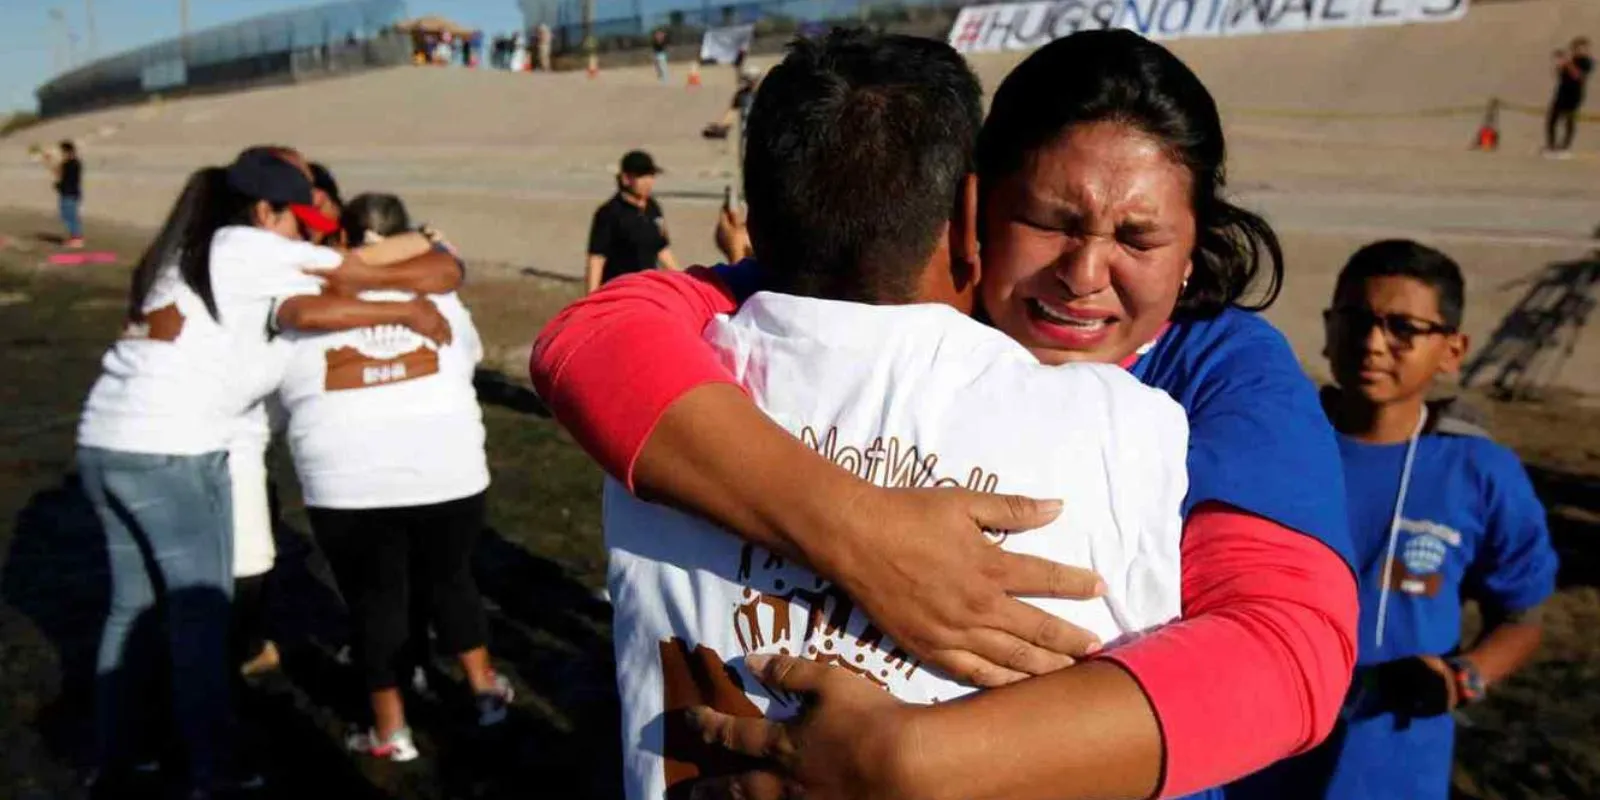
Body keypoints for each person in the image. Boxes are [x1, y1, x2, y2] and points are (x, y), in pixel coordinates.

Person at [533, 28, 1358, 800]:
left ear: (1193, 247)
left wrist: (908, 760)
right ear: (974, 213)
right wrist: (859, 531)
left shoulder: (1219, 371)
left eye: (1138, 240)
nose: (1083, 272)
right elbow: (595, 339)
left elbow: (1290, 656)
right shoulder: (858, 301)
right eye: (1049, 222)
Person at [76, 148, 457, 796]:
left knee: (129, 609)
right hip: (173, 449)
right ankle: (214, 770)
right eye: (294, 219)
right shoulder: (242, 245)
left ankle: (121, 753)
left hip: (102, 442)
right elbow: (355, 269)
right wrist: (416, 278)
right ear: (263, 210)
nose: (303, 231)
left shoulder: (175, 253)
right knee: (202, 619)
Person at [1228, 241, 1558, 800]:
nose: (1373, 343)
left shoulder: (1479, 473)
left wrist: (1462, 677)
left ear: (1453, 350)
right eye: (1357, 319)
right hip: (1252, 760)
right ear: (1330, 327)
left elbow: (1523, 616)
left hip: (1395, 767)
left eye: (1403, 327)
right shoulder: (1271, 443)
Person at [276, 192, 512, 762]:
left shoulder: (307, 293)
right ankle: (483, 691)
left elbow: (285, 388)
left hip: (347, 480)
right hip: (446, 472)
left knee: (374, 601)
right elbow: (466, 355)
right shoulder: (441, 292)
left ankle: (392, 730)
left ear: (343, 240)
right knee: (451, 579)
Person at [585, 151, 679, 294]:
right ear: (626, 179)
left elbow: (662, 249)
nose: (649, 181)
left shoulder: (653, 208)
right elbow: (597, 258)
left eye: (651, 176)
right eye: (642, 176)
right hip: (619, 291)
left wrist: (683, 280)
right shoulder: (609, 213)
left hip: (648, 290)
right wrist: (591, 298)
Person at [1546, 37, 1593, 157]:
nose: (1579, 51)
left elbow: (1578, 76)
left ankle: (1565, 146)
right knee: (1552, 119)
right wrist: (1560, 64)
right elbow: (1558, 75)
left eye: (1582, 48)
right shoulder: (1571, 60)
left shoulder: (1587, 62)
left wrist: (1568, 64)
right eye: (1577, 48)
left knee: (1569, 120)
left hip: (1574, 95)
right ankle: (1551, 145)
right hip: (1561, 93)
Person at [702, 66, 761, 140]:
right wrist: (721, 126)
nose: (747, 83)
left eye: (748, 80)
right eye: (746, 81)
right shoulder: (741, 95)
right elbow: (731, 111)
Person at [52, 140, 84, 248]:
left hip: (69, 193)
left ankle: (76, 239)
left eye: (62, 152)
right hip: (71, 193)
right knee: (69, 216)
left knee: (69, 216)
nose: (62, 154)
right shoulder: (74, 162)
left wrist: (58, 184)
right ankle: (75, 238)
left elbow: (60, 174)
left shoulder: (70, 163)